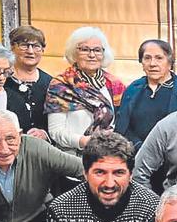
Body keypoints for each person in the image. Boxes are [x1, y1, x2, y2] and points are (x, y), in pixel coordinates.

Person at [45, 26, 123, 154]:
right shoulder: (60, 85)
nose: (91, 55)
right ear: (74, 53)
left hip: (107, 156)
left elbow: (121, 124)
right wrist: (83, 141)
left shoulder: (114, 85)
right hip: (72, 158)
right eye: (84, 49)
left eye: (97, 50)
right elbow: (55, 131)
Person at [117, 39, 177, 149]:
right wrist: (140, 148)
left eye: (159, 58)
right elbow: (123, 126)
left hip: (173, 155)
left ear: (170, 62)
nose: (152, 64)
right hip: (136, 154)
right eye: (147, 58)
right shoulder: (132, 89)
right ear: (141, 62)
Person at [6, 24, 53, 137]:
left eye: (36, 46)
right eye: (24, 45)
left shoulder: (51, 83)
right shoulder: (2, 80)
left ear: (42, 50)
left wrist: (45, 134)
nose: (30, 51)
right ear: (12, 47)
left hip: (42, 148)